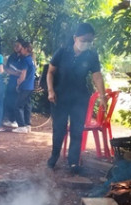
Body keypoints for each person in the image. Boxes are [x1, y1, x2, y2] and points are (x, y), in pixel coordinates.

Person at [46, 23, 106, 174]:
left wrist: (103, 96)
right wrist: (51, 90)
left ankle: (73, 162)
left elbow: (97, 76)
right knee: (59, 129)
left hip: (80, 98)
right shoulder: (62, 52)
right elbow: (50, 72)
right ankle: (54, 157)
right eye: (84, 40)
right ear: (75, 38)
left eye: (90, 41)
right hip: (59, 97)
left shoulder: (91, 56)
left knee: (77, 130)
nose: (86, 43)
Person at [13, 41, 36, 134]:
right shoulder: (31, 59)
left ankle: (21, 125)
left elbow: (23, 74)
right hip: (30, 86)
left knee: (18, 105)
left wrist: (18, 83)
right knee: (27, 105)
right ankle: (27, 125)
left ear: (26, 49)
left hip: (25, 86)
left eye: (22, 48)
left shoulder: (25, 60)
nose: (20, 50)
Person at [4, 39, 25, 128]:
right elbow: (7, 69)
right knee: (9, 100)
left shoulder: (25, 57)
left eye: (18, 45)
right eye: (14, 46)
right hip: (11, 81)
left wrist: (19, 74)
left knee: (19, 102)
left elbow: (24, 72)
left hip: (22, 82)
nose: (16, 47)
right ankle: (11, 119)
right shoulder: (12, 56)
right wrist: (15, 73)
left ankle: (20, 121)